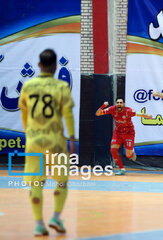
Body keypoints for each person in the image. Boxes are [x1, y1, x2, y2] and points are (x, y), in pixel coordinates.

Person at [18, 49, 76, 236]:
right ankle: (56, 217)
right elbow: (67, 114)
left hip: (34, 141)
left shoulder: (28, 86)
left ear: (39, 65)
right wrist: (72, 139)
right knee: (61, 182)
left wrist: (30, 135)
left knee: (36, 184)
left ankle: (39, 224)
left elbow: (24, 113)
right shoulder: (61, 87)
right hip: (55, 142)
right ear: (55, 66)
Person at [95, 98, 152, 175]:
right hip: (118, 132)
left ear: (123, 104)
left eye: (121, 103)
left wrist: (148, 116)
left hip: (129, 132)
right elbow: (98, 113)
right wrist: (103, 106)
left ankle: (132, 152)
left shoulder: (128, 111)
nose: (119, 104)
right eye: (117, 102)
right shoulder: (112, 109)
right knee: (113, 150)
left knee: (128, 155)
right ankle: (122, 169)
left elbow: (139, 114)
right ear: (115, 104)